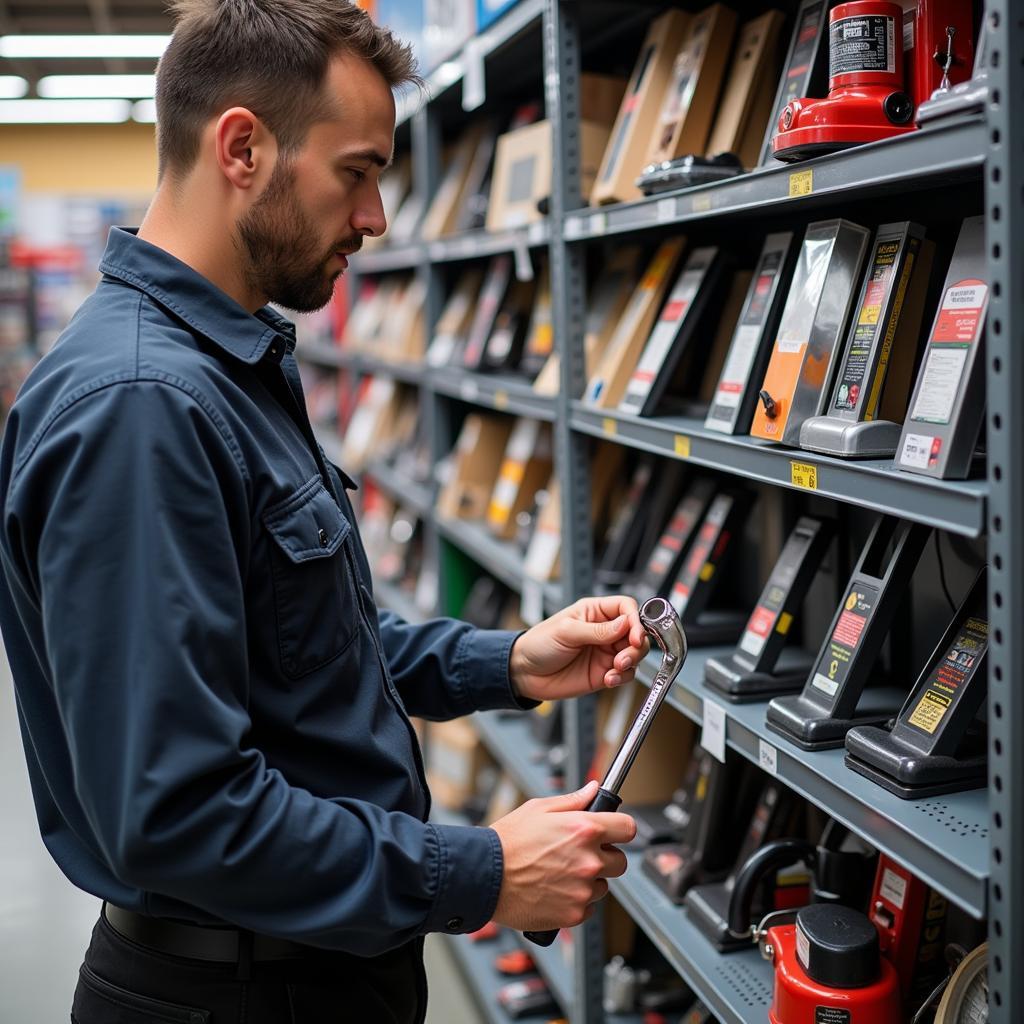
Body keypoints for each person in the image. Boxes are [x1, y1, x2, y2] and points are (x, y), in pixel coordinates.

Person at [0, 2, 648, 1021]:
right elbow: (174, 813)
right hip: (237, 989)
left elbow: (294, 652)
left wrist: (505, 661)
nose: (377, 217)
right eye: (357, 170)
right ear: (243, 147)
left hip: (307, 969)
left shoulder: (227, 364)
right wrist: (477, 870)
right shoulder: (142, 408)